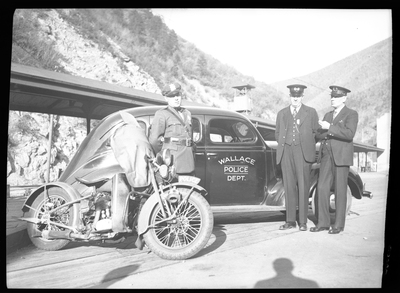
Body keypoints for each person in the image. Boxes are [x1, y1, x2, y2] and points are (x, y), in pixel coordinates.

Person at [310, 85, 358, 234]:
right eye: (331, 96)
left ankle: (338, 225)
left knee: (340, 190)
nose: (333, 99)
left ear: (344, 98)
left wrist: (329, 128)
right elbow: (319, 135)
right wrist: (329, 129)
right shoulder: (327, 115)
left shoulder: (351, 114)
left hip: (341, 157)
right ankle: (323, 223)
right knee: (322, 188)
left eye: (336, 97)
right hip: (326, 156)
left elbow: (349, 134)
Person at [275, 84, 319, 231]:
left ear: (302, 96)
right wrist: (286, 144)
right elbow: (277, 133)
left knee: (303, 186)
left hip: (303, 152)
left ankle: (303, 222)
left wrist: (305, 145)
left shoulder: (311, 112)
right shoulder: (282, 113)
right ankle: (290, 221)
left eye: (298, 96)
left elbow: (316, 133)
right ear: (290, 96)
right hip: (286, 151)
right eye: (293, 96)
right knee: (289, 187)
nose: (295, 98)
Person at [149, 82, 195, 176]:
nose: (176, 98)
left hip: (188, 160)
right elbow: (154, 141)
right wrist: (163, 156)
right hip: (173, 161)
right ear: (166, 98)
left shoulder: (187, 113)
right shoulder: (162, 114)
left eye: (178, 95)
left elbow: (190, 136)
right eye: (172, 96)